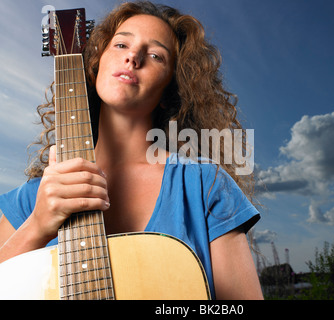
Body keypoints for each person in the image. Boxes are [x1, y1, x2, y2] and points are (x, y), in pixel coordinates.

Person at [0, 1, 262, 299]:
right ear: (95, 64)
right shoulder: (36, 196)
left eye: (155, 55)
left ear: (169, 92)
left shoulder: (204, 183)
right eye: (121, 44)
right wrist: (37, 224)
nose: (133, 57)